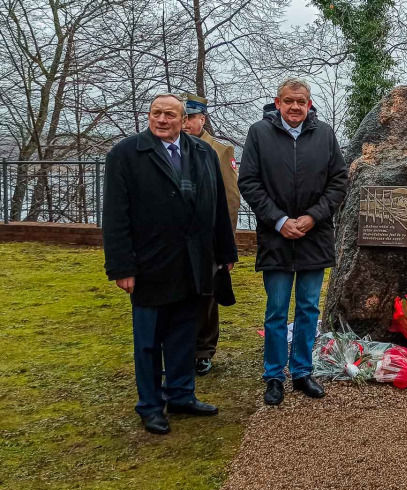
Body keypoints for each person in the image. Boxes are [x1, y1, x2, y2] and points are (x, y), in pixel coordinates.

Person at [103, 93, 238, 435]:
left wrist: (226, 253)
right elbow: (116, 215)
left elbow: (218, 205)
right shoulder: (126, 154)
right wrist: (121, 267)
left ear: (184, 119)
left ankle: (181, 394)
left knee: (183, 335)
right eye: (155, 113)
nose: (161, 120)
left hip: (193, 262)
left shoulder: (203, 153)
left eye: (169, 115)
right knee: (149, 341)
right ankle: (150, 405)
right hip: (149, 263)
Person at [238, 78, 348, 406]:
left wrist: (313, 216)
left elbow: (338, 181)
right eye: (289, 101)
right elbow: (249, 181)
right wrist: (280, 220)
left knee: (308, 308)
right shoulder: (259, 133)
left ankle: (302, 371)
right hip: (276, 238)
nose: (295, 107)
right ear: (278, 102)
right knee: (275, 310)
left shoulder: (325, 135)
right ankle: (274, 375)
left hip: (314, 237)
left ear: (309, 104)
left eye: (301, 101)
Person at [181, 92, 241, 376]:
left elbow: (230, 199)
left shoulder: (219, 151)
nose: (185, 123)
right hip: (176, 239)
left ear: (202, 119)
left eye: (190, 117)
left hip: (208, 239)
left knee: (206, 295)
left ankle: (203, 350)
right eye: (182, 118)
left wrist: (226, 244)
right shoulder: (167, 147)